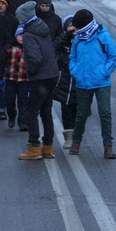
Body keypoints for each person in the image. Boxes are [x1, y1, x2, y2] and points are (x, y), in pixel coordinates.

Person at [68, 9, 116, 158]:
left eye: (77, 26)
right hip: (83, 81)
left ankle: (108, 146)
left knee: (105, 113)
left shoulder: (103, 36)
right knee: (81, 114)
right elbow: (73, 57)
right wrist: (75, 71)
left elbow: (113, 57)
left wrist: (104, 72)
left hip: (101, 82)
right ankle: (76, 142)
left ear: (85, 25)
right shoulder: (78, 39)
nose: (75, 29)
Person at [16, 2, 60, 160]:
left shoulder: (28, 35)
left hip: (40, 77)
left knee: (31, 111)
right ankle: (48, 147)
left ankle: (34, 147)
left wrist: (31, 72)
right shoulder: (42, 27)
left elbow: (35, 58)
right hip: (52, 74)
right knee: (46, 111)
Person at [54, 15, 77, 149]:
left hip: (79, 79)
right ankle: (69, 136)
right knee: (66, 107)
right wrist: (66, 37)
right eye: (70, 25)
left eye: (74, 25)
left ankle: (77, 135)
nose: (72, 28)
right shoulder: (62, 41)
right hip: (64, 79)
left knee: (78, 109)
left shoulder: (82, 40)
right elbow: (53, 47)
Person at [4, 29, 29, 131]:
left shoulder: (29, 48)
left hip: (24, 79)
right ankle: (11, 115)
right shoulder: (9, 48)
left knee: (23, 100)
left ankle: (22, 122)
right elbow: (2, 61)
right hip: (10, 78)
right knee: (9, 100)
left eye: (24, 35)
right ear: (16, 36)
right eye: (20, 35)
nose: (22, 38)